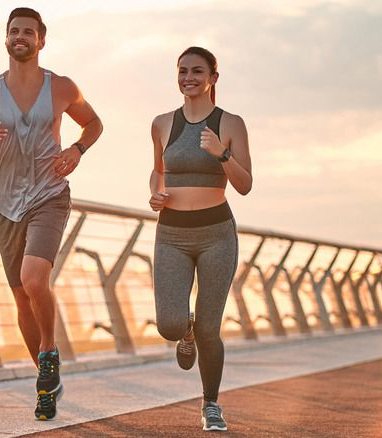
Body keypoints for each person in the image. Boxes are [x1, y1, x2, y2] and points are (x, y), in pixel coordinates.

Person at [0, 7, 102, 421]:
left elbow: (93, 123)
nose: (20, 36)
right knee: (21, 295)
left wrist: (77, 149)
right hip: (6, 204)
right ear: (6, 38)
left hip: (49, 196)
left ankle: (49, 352)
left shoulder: (62, 87)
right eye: (14, 31)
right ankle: (46, 383)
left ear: (41, 40)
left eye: (28, 32)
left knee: (34, 278)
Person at [148, 46, 252, 432]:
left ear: (213, 78)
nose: (188, 77)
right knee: (169, 325)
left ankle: (211, 404)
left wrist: (222, 154)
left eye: (197, 71)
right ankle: (184, 330)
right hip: (171, 233)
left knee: (210, 328)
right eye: (183, 71)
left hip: (216, 234)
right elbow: (157, 171)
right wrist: (155, 193)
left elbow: (245, 184)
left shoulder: (231, 123)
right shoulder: (162, 123)